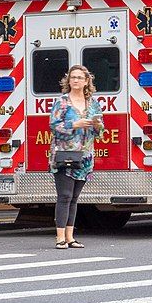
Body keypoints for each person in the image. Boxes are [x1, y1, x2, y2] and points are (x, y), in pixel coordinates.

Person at [49, 65, 104, 249]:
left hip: (85, 155)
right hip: (64, 154)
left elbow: (100, 130)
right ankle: (60, 238)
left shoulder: (93, 103)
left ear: (87, 81)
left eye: (80, 77)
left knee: (74, 198)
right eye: (73, 77)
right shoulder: (62, 102)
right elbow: (54, 125)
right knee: (64, 196)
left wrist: (96, 125)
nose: (76, 80)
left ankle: (70, 237)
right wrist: (75, 124)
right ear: (68, 80)